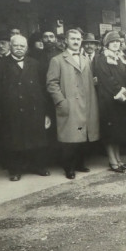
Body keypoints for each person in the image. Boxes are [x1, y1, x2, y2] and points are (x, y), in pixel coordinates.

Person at [0, 35, 51, 181]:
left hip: (34, 109)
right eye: (16, 45)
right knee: (14, 141)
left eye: (22, 46)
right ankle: (15, 170)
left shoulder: (36, 64)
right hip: (12, 110)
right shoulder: (1, 65)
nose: (19, 48)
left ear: (27, 48)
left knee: (36, 140)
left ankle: (38, 166)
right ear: (11, 47)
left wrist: (46, 112)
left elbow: (44, 88)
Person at [46, 28, 100, 179]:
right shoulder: (57, 60)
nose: (76, 42)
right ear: (66, 41)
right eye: (73, 39)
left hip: (86, 102)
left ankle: (80, 163)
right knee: (69, 139)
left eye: (78, 39)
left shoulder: (85, 59)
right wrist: (61, 101)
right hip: (70, 102)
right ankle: (68, 167)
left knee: (83, 136)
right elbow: (52, 84)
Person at [92, 30, 126, 173]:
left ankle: (119, 159)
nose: (116, 44)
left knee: (118, 132)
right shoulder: (102, 59)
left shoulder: (121, 57)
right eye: (113, 42)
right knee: (110, 133)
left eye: (118, 42)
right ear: (107, 44)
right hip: (108, 100)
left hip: (120, 99)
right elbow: (107, 80)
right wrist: (121, 91)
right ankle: (112, 161)